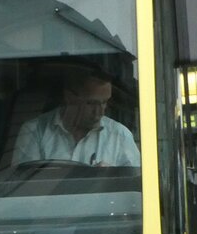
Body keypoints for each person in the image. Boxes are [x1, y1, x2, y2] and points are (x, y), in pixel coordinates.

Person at [12, 69, 140, 167]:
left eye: (104, 102)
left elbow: (137, 188)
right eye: (91, 103)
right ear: (69, 97)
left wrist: (111, 179)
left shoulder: (120, 135)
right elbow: (24, 187)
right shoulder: (35, 131)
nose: (100, 111)